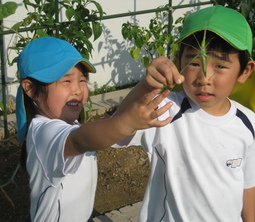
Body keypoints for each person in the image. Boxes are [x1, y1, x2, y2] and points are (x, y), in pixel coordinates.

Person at [113, 5, 255, 222]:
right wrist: (144, 86)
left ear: (245, 71)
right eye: (194, 63)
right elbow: (116, 131)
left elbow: (248, 182)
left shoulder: (248, 123)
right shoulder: (166, 110)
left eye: (220, 66)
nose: (204, 78)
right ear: (179, 61)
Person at [16, 36, 174, 222]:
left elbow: (113, 125)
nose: (77, 90)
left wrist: (145, 86)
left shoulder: (70, 125)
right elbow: (81, 139)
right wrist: (128, 122)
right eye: (66, 81)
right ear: (31, 89)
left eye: (82, 81)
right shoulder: (42, 133)